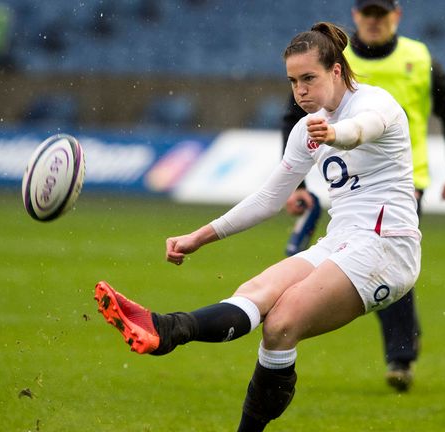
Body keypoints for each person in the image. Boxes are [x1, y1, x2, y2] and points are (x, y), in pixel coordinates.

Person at [94, 22, 422, 431]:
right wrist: (199, 237)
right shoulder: (307, 128)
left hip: (388, 249)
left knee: (282, 322)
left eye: (309, 79)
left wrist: (335, 133)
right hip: (341, 241)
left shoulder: (375, 103)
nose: (300, 91)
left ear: (336, 70)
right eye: (292, 82)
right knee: (255, 294)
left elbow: (362, 130)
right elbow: (269, 198)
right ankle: (166, 330)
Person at [281, 0, 445, 392]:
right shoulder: (331, 60)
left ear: (396, 16)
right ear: (355, 16)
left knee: (382, 254)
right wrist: (295, 185)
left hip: (402, 177)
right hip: (345, 181)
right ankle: (400, 345)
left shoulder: (417, 57)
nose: (373, 21)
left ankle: (400, 355)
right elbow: (294, 118)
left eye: (380, 14)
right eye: (367, 14)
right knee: (369, 259)